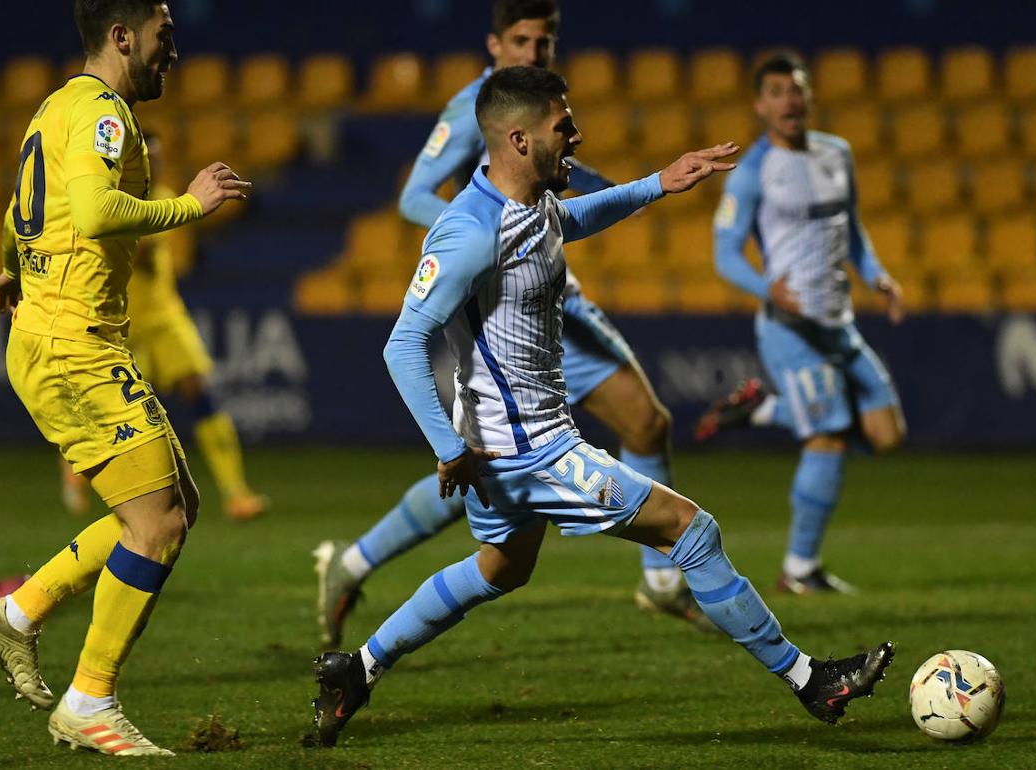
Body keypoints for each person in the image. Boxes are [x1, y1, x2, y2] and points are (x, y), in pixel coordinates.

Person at [310, 65, 893, 747]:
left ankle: (357, 669)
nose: (577, 135)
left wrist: (658, 183)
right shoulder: (468, 231)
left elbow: (570, 219)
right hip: (531, 452)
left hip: (510, 447)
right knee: (691, 530)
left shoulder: (529, 206)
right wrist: (447, 446)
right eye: (564, 126)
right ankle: (811, 682)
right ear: (521, 139)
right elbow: (403, 344)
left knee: (500, 568)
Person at [313, 0, 704, 650]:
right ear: (494, 44)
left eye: (544, 41)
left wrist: (637, 189)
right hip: (504, 300)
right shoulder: (480, 105)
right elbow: (414, 194)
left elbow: (566, 192)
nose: (532, 53)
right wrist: (483, 244)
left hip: (551, 293)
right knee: (495, 461)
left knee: (640, 423)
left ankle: (660, 578)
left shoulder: (549, 107)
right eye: (520, 40)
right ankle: (354, 563)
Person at [0, 0, 248, 756]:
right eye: (164, 38)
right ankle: (88, 700)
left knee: (169, 505)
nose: (173, 52)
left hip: (63, 337)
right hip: (73, 346)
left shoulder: (54, 105)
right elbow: (91, 211)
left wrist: (7, 265)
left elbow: (23, 206)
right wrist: (191, 203)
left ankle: (17, 614)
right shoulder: (103, 113)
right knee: (158, 524)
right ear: (123, 38)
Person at [697, 52, 906, 594]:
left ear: (809, 98)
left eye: (797, 90)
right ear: (760, 105)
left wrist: (879, 278)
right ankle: (799, 570)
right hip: (789, 327)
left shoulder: (838, 152)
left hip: (838, 319)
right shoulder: (753, 173)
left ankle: (761, 407)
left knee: (886, 435)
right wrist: (770, 290)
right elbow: (724, 256)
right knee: (828, 437)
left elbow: (852, 231)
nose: (790, 100)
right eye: (777, 92)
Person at [59, 131, 268, 521]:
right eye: (146, 156)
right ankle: (77, 469)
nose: (154, 163)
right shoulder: (105, 204)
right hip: (122, 322)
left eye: (157, 155)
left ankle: (236, 492)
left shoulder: (168, 195)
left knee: (199, 391)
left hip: (166, 316)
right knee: (115, 412)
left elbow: (156, 257)